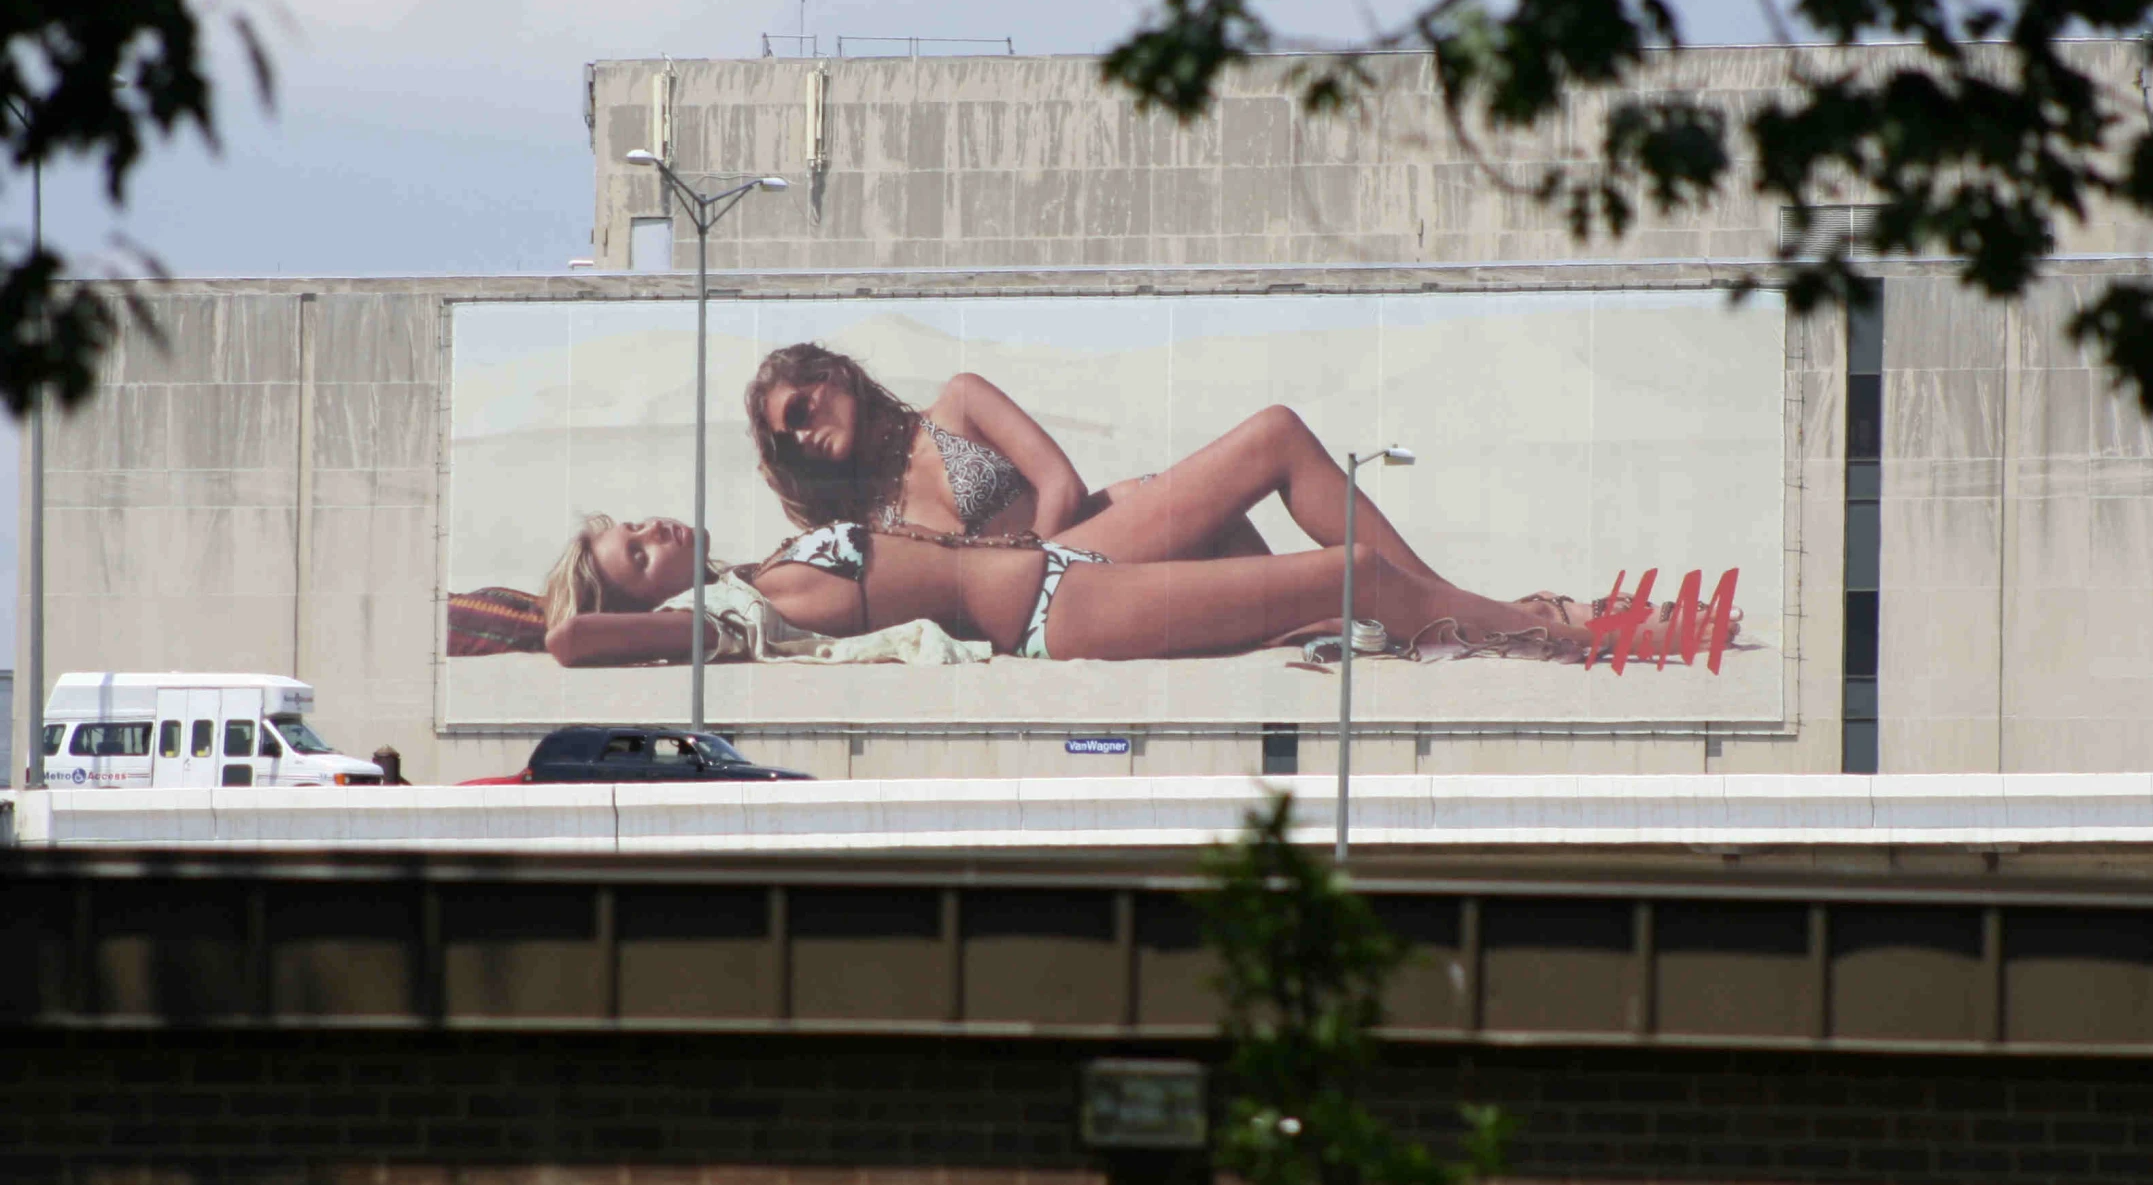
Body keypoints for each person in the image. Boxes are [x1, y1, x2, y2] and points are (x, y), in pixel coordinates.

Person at [743, 344, 1506, 593]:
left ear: (835, 377)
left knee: (1277, 435)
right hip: (1062, 595)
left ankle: (1435, 604)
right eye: (786, 437)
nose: (801, 436)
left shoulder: (959, 404)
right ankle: (1423, 615)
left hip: (1090, 542)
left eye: (801, 411)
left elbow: (1060, 484)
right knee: (1276, 591)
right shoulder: (856, 524)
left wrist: (1029, 561)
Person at [536, 512, 1664, 669]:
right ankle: (1560, 635)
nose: (644, 528)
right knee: (1356, 570)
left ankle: (1481, 608)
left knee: (1275, 435)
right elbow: (568, 646)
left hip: (1064, 556)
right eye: (629, 550)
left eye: (627, 520)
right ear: (646, 605)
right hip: (1055, 615)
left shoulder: (751, 562)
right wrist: (589, 608)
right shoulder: (728, 624)